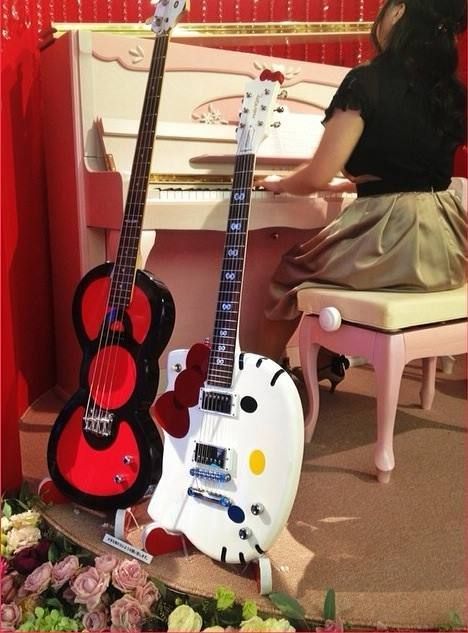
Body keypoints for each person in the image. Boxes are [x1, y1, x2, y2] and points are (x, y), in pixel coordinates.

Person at [254, 0, 467, 385]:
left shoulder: (366, 81)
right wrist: (352, 183)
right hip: (446, 246)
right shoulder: (448, 89)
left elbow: (316, 176)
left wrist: (281, 183)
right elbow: (406, 167)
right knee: (332, 262)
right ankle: (320, 365)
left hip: (395, 240)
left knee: (290, 274)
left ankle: (260, 382)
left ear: (399, 12)